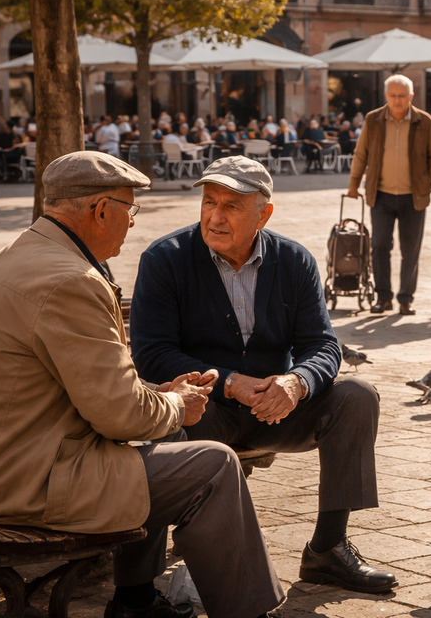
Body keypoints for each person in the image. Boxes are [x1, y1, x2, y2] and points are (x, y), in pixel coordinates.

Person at [0, 151, 284, 618]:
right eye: (130, 209)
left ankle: (136, 599)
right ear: (100, 210)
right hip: (16, 484)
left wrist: (161, 397)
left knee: (170, 442)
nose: (132, 223)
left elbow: (89, 391)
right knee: (212, 465)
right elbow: (120, 416)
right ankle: (247, 612)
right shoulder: (71, 280)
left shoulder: (14, 257)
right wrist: (177, 403)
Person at [130, 157, 395, 593]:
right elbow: (152, 354)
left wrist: (298, 382)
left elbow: (322, 345)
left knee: (357, 395)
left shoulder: (293, 260)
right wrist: (230, 381)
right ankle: (139, 584)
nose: (215, 217)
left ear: (263, 214)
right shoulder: (166, 259)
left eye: (232, 206)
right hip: (205, 409)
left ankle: (327, 550)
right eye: (209, 201)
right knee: (165, 420)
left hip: (274, 410)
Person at [346, 75, 431, 315]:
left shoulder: (425, 121)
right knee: (379, 245)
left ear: (411, 97)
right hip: (381, 194)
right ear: (386, 96)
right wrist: (354, 184)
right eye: (393, 95)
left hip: (414, 196)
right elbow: (361, 154)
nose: (398, 100)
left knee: (411, 250)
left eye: (402, 96)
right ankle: (383, 297)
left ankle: (406, 298)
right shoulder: (373, 119)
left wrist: (425, 182)